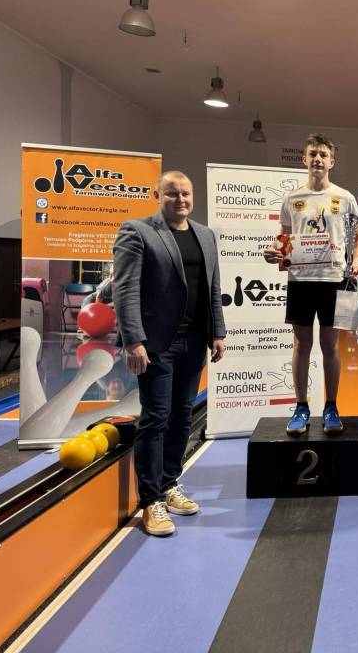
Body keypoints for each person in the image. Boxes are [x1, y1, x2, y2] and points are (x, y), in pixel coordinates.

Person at [113, 170, 226, 536]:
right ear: (157, 195)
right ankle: (150, 502)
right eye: (172, 194)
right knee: (156, 417)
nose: (180, 200)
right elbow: (125, 289)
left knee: (181, 416)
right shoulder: (137, 231)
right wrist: (133, 340)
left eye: (186, 194)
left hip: (194, 341)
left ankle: (169, 483)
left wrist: (218, 331)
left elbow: (212, 288)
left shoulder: (205, 235)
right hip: (156, 343)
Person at [263, 133, 358, 436]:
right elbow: (283, 240)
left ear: (332, 162)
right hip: (301, 280)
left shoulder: (345, 198)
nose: (318, 159)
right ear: (304, 159)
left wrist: (356, 261)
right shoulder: (291, 199)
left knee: (329, 346)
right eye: (313, 154)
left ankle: (331, 407)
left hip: (333, 280)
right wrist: (273, 252)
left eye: (323, 155)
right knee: (301, 345)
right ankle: (301, 407)